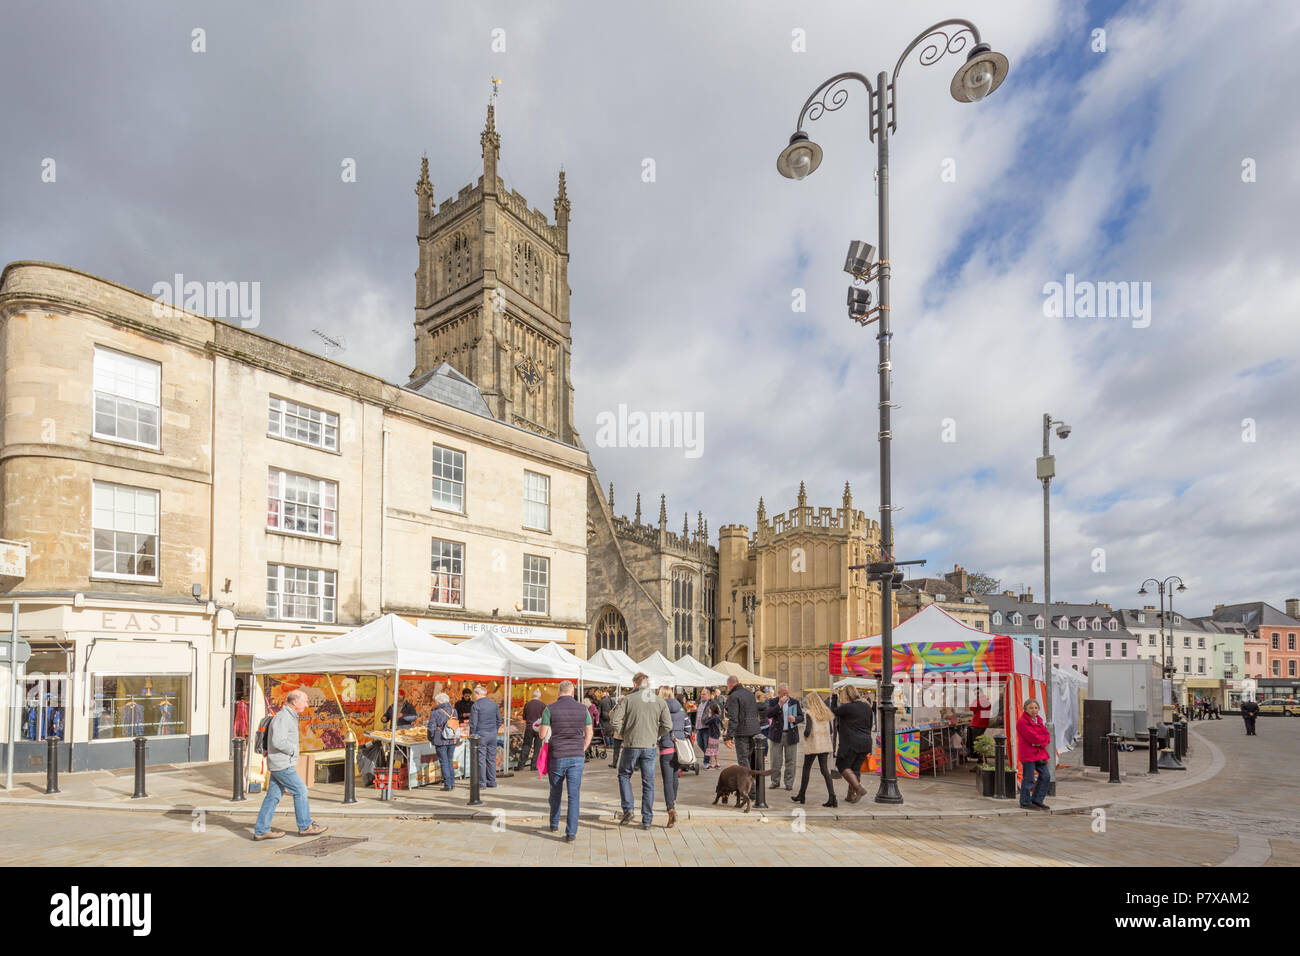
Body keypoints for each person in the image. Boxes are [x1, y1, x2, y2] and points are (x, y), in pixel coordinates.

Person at [252, 689, 327, 841]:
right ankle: (305, 826)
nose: (307, 704)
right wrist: (293, 750)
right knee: (301, 790)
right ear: (294, 702)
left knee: (272, 797)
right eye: (304, 701)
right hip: (282, 764)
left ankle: (261, 830)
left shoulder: (289, 716)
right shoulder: (283, 717)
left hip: (279, 762)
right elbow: (277, 741)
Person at [610, 672, 671, 829]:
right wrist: (654, 734)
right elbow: (668, 726)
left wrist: (624, 734)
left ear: (635, 684)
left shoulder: (628, 699)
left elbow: (614, 720)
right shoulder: (659, 701)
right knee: (648, 782)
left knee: (624, 775)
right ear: (648, 684)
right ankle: (647, 820)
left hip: (631, 744)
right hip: (649, 745)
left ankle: (629, 808)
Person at [539, 680, 593, 842]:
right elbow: (589, 733)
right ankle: (571, 833)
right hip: (577, 756)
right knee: (573, 795)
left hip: (558, 755)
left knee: (555, 792)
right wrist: (583, 747)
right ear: (572, 692)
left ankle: (554, 823)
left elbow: (542, 735)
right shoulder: (583, 709)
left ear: (559, 692)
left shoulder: (550, 709)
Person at [792, 691, 836, 807]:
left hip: (814, 744)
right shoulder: (826, 712)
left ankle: (802, 795)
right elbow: (831, 731)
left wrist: (805, 736)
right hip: (825, 745)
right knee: (825, 770)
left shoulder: (809, 713)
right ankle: (832, 797)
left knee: (806, 769)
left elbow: (807, 731)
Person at [830, 685, 874, 803]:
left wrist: (834, 696)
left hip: (851, 742)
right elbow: (870, 725)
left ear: (846, 695)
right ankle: (850, 795)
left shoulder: (848, 707)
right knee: (855, 768)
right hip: (866, 742)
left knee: (842, 765)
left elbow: (833, 710)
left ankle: (858, 789)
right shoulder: (867, 706)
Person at [657, 686, 688, 828]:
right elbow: (688, 727)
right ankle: (673, 801)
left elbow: (656, 728)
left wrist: (659, 740)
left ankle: (670, 808)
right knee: (675, 778)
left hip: (666, 747)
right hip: (679, 748)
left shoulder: (660, 708)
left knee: (667, 781)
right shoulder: (681, 710)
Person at [763, 682, 803, 790]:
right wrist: (779, 705)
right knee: (776, 760)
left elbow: (801, 716)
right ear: (779, 693)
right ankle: (775, 781)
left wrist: (795, 719)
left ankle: (789, 783)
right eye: (784, 693)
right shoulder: (773, 701)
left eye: (787, 693)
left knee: (791, 761)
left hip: (791, 734)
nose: (786, 695)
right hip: (777, 735)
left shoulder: (794, 702)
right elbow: (768, 714)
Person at [1016, 698, 1052, 810]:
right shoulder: (1022, 722)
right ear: (1025, 709)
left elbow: (1047, 736)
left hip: (1039, 753)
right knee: (1029, 778)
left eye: (1036, 708)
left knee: (1046, 776)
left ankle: (1037, 799)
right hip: (1028, 754)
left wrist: (1040, 743)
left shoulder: (1039, 720)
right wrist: (1040, 742)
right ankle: (1025, 802)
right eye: (1031, 708)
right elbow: (1033, 737)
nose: (1034, 710)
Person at [723, 676, 759, 777]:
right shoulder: (750, 694)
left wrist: (728, 737)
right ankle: (753, 785)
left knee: (743, 761)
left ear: (729, 685)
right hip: (754, 730)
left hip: (742, 732)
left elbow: (733, 718)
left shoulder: (733, 696)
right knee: (751, 759)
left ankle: (750, 790)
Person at [468, 685, 503, 788]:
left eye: (474, 694)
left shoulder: (476, 705)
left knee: (481, 760)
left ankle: (482, 783)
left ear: (478, 694)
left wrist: (472, 736)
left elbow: (473, 724)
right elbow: (499, 720)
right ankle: (492, 781)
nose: (474, 696)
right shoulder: (493, 704)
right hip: (492, 734)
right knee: (491, 759)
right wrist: (494, 730)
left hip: (481, 734)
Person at [427, 692, 459, 791]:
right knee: (449, 761)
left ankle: (447, 785)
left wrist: (431, 738)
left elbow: (431, 728)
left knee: (444, 762)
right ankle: (452, 783)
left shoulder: (436, 712)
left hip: (440, 740)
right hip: (452, 739)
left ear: (439, 702)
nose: (435, 703)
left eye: (436, 702)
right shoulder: (454, 711)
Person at [520, 689, 547, 771]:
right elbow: (545, 718)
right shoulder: (543, 705)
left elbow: (524, 717)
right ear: (540, 696)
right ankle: (534, 765)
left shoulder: (527, 704)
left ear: (532, 696)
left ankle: (521, 765)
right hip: (538, 728)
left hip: (529, 727)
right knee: (537, 747)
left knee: (526, 746)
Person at [695, 687, 721, 769]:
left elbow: (718, 712)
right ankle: (709, 756)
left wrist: (709, 719)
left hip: (707, 727)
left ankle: (706, 762)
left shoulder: (711, 703)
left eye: (704, 694)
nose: (702, 695)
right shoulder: (700, 703)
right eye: (701, 694)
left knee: (707, 745)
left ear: (709, 695)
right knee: (700, 743)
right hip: (699, 727)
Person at [967, 689, 991, 758]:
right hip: (982, 723)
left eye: (977, 693)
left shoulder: (981, 700)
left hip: (978, 724)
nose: (976, 695)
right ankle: (982, 759)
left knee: (977, 742)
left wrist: (975, 700)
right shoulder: (984, 700)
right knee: (980, 741)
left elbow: (971, 707)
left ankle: (980, 759)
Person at [597, 689, 618, 761]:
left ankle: (607, 744)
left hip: (604, 717)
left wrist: (597, 719)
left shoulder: (601, 701)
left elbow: (599, 711)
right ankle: (612, 743)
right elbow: (615, 708)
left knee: (604, 730)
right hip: (611, 716)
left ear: (604, 695)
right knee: (611, 730)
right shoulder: (612, 700)